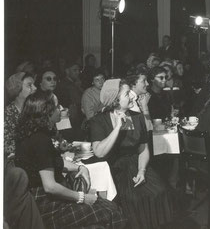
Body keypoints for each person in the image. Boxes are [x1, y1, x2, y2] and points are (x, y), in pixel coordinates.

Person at [14, 91, 126, 229]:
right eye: (57, 106)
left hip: (43, 198)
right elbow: (50, 187)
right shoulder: (40, 140)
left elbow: (54, 163)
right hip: (45, 204)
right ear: (47, 111)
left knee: (109, 207)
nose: (61, 109)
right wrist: (82, 197)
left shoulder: (35, 134)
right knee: (110, 211)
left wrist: (80, 167)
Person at [89, 79, 173, 228]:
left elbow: (143, 149)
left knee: (159, 190)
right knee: (133, 198)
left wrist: (142, 170)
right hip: (114, 168)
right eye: (127, 94)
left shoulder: (137, 117)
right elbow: (99, 152)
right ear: (115, 99)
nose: (133, 97)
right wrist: (117, 128)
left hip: (136, 164)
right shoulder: (99, 121)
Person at [5, 72, 37, 159]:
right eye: (29, 85)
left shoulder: (36, 110)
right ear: (17, 89)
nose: (35, 88)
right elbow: (6, 145)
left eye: (34, 84)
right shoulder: (7, 114)